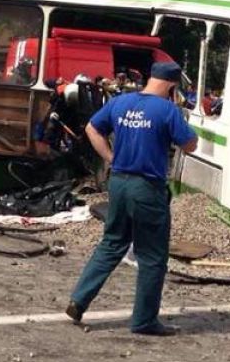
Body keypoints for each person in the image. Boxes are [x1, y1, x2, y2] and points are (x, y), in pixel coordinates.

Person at [66, 61, 199, 336]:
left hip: (119, 183)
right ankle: (144, 320)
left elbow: (92, 128)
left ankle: (78, 300)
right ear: (173, 87)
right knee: (152, 255)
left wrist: (110, 157)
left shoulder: (121, 101)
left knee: (112, 242)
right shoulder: (167, 110)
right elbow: (190, 144)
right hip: (146, 188)